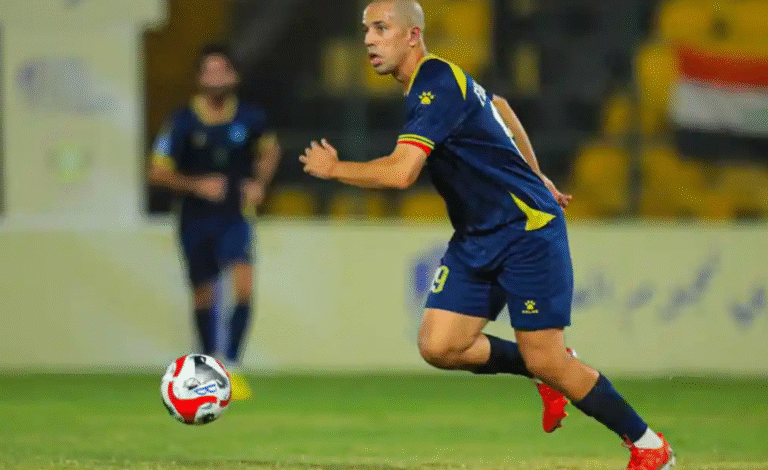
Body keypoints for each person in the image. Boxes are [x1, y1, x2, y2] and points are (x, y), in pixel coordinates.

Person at [299, 1, 675, 469]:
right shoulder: (438, 85)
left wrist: (335, 169)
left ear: (413, 35)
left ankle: (647, 445)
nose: (369, 40)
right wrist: (536, 176)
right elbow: (501, 109)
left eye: (381, 28)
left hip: (526, 234)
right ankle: (545, 372)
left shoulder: (436, 83)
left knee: (549, 360)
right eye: (365, 30)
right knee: (440, 346)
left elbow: (400, 173)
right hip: (478, 236)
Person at [148, 43, 282, 400]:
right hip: (195, 218)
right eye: (209, 71)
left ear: (234, 77)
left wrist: (259, 183)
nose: (216, 78)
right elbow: (157, 172)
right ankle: (210, 368)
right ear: (198, 78)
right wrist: (196, 185)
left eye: (222, 71)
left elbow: (270, 151)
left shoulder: (250, 118)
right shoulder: (181, 121)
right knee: (203, 295)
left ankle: (234, 366)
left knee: (243, 286)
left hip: (235, 215)